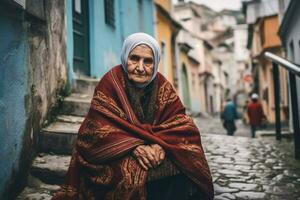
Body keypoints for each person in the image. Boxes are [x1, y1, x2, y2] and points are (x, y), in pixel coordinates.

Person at [51, 33, 214, 200]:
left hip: (155, 148)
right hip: (117, 153)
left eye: (148, 61)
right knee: (131, 177)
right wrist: (135, 147)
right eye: (134, 59)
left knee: (186, 161)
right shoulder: (111, 82)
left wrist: (162, 146)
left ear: (156, 62)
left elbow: (180, 123)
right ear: (125, 57)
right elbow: (94, 131)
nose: (141, 67)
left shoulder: (163, 85)